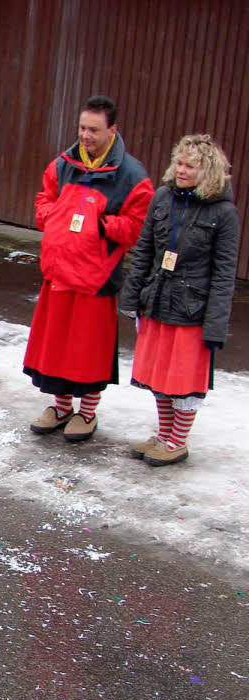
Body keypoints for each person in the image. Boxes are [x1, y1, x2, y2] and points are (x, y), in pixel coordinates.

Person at [23, 95, 154, 441]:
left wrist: (100, 224)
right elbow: (42, 203)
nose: (85, 135)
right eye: (82, 127)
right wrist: (58, 217)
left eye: (94, 129)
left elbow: (138, 226)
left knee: (87, 352)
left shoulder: (133, 175)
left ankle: (88, 412)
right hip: (58, 273)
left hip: (96, 279)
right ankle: (61, 408)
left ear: (112, 130)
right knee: (56, 347)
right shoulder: (62, 164)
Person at [119, 135, 240, 466]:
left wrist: (215, 326)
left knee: (182, 379)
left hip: (192, 309)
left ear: (208, 171)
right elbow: (144, 251)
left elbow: (223, 274)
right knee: (159, 374)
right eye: (180, 163)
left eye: (191, 165)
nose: (182, 170)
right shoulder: (162, 197)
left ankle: (177, 441)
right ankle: (164, 433)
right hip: (159, 300)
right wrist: (131, 297)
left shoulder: (224, 213)